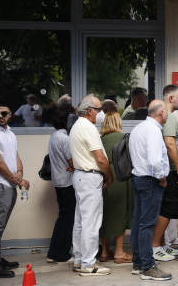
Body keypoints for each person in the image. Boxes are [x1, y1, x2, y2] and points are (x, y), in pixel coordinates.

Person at [0, 100, 30, 278]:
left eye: (4, 113)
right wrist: (16, 179)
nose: (0, 116)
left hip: (9, 184)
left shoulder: (10, 133)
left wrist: (19, 174)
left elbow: (16, 157)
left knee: (0, 225)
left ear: (10, 115)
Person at [69, 95, 114, 276]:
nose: (101, 113)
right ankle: (89, 264)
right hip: (90, 177)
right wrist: (109, 175)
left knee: (81, 221)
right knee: (91, 223)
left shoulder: (76, 126)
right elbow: (100, 158)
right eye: (98, 109)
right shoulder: (88, 127)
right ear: (89, 111)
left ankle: (79, 260)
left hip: (81, 176)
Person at [129, 100, 172, 281]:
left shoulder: (139, 128)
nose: (168, 114)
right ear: (161, 112)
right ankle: (148, 267)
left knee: (139, 222)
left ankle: (139, 263)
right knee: (146, 224)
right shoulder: (153, 130)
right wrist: (161, 178)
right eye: (167, 111)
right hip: (150, 181)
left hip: (139, 179)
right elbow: (155, 161)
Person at [151, 85, 178, 261]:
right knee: (168, 208)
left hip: (168, 170)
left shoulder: (168, 117)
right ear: (171, 98)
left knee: (164, 208)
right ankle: (155, 246)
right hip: (170, 171)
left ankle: (162, 245)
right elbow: (170, 144)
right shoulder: (169, 118)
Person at [99, 112, 134, 264]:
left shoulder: (98, 139)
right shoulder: (124, 138)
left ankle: (105, 251)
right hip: (121, 177)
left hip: (102, 177)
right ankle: (119, 252)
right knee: (121, 213)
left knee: (104, 213)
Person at [46, 105, 76, 264]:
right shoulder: (65, 138)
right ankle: (63, 254)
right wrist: (75, 165)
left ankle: (53, 253)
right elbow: (73, 162)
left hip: (58, 181)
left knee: (62, 217)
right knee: (68, 218)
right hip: (67, 182)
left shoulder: (54, 135)